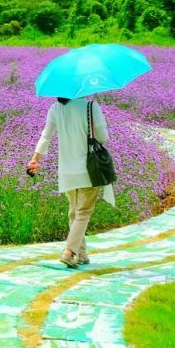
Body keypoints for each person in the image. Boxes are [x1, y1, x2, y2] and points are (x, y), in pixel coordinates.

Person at [27, 96, 114, 268]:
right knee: (83, 212)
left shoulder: (55, 109)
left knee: (74, 212)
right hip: (89, 169)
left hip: (67, 170)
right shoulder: (90, 107)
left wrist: (35, 159)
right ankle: (69, 252)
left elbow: (46, 136)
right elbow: (103, 137)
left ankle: (81, 254)